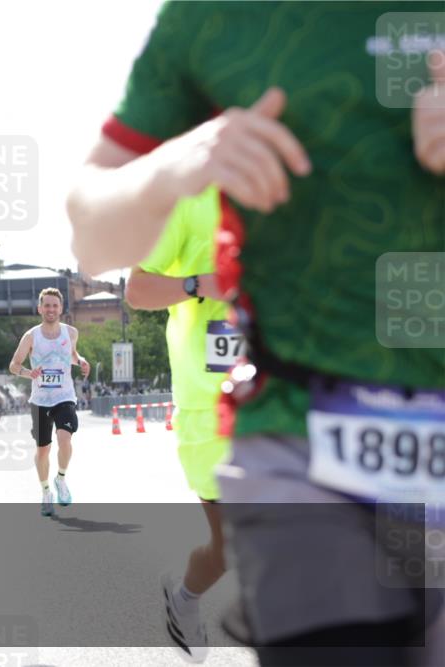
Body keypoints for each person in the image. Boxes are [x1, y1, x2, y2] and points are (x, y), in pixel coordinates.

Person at [66, 4, 444, 663]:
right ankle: (192, 594)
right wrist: (171, 167)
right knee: (250, 561)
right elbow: (93, 241)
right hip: (290, 430)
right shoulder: (212, 20)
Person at [125, 186, 232, 661]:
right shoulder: (190, 203)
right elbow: (136, 290)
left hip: (290, 398)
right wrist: (199, 284)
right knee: (234, 545)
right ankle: (184, 597)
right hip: (211, 409)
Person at [8, 288, 89, 517]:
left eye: (55, 305)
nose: (51, 309)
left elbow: (72, 355)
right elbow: (14, 365)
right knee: (43, 450)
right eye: (47, 305)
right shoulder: (31, 336)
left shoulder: (71, 332)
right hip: (40, 400)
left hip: (64, 396)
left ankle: (60, 479)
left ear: (61, 308)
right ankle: (45, 492)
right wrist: (28, 373)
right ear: (40, 308)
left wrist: (81, 361)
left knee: (65, 439)